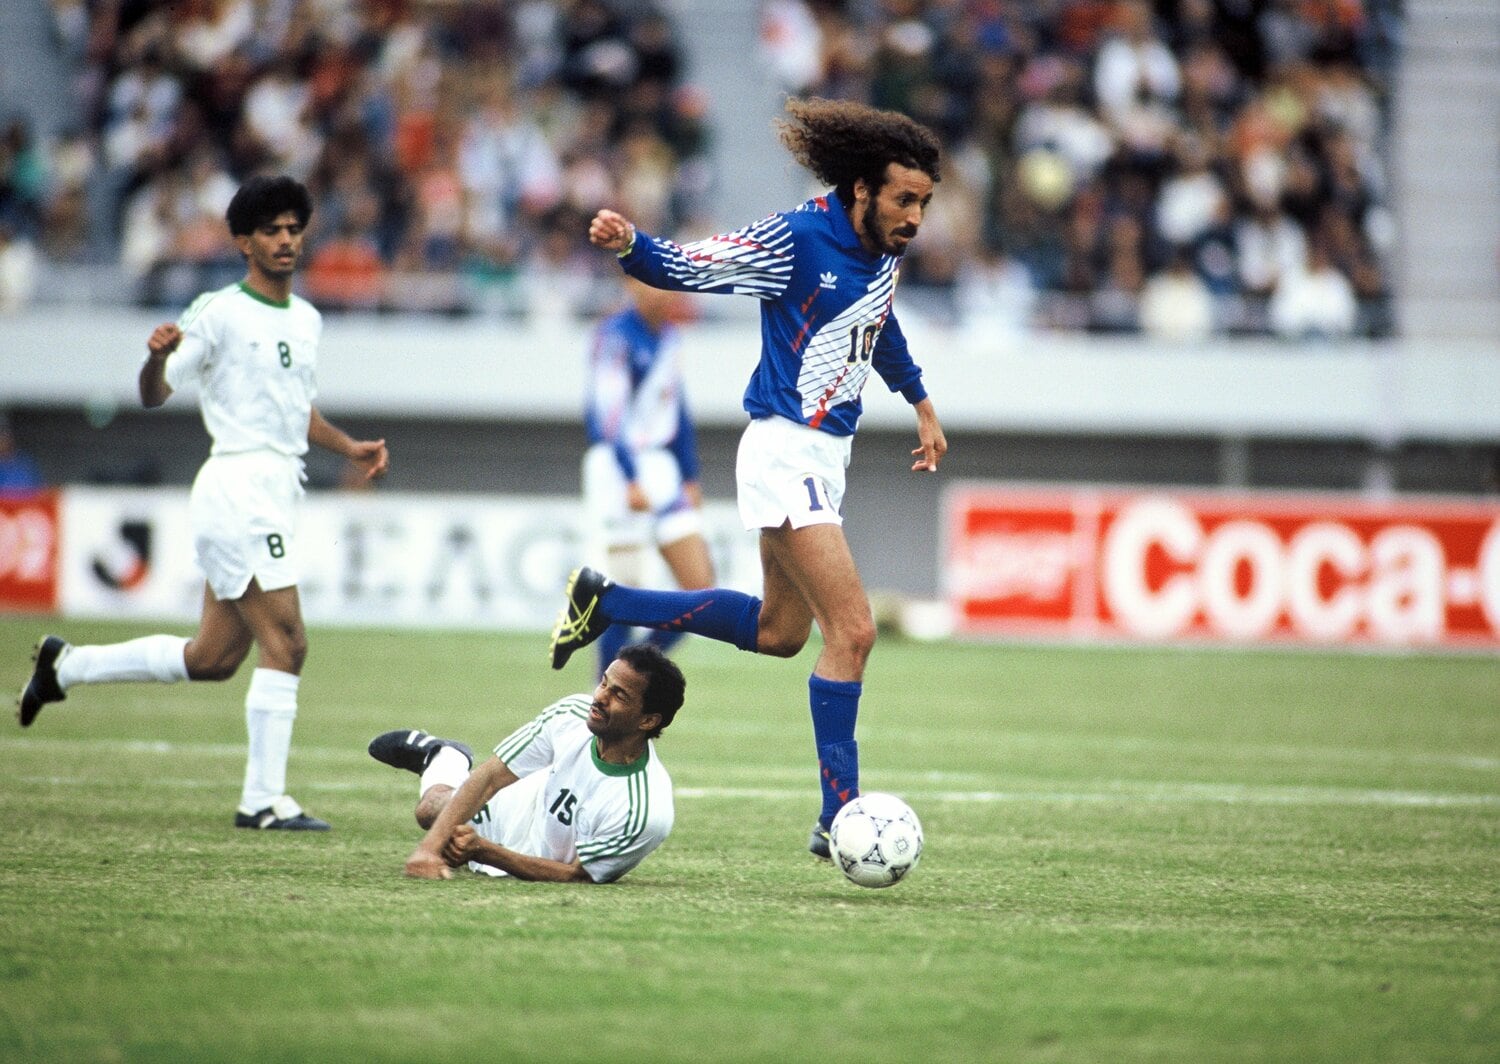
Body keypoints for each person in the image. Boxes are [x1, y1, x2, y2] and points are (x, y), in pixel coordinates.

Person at [551, 96, 948, 861]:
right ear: (862, 189)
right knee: (854, 633)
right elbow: (695, 266)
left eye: (924, 203)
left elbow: (878, 322)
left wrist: (920, 401)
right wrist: (632, 246)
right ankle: (839, 816)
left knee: (780, 634)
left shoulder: (883, 250)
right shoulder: (795, 238)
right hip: (785, 451)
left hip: (823, 457)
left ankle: (610, 601)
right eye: (904, 199)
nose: (915, 218)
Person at [16, 174, 389, 832]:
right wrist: (154, 360)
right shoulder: (218, 312)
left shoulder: (306, 319)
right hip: (239, 488)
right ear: (244, 242)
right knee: (288, 642)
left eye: (293, 228)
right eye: (271, 230)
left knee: (212, 660)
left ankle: (66, 666)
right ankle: (262, 801)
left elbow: (294, 407)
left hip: (277, 487)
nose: (286, 240)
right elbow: (154, 393)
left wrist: (348, 446)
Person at [371, 642, 684, 883]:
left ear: (648, 720)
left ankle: (445, 762)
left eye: (619, 695)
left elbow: (577, 875)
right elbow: (491, 776)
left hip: (536, 854)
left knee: (453, 834)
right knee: (429, 812)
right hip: (524, 804)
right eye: (603, 683)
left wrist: (485, 851)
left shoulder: (643, 811)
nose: (600, 697)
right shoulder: (571, 713)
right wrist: (428, 850)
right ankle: (445, 756)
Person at [582, 276, 715, 679]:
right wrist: (629, 477)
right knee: (626, 588)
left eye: (667, 281)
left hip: (662, 466)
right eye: (652, 281)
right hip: (619, 467)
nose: (662, 289)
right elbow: (608, 413)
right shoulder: (614, 336)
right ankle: (607, 692)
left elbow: (677, 407)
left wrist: (689, 474)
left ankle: (632, 676)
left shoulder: (671, 336)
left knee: (701, 591)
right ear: (632, 286)